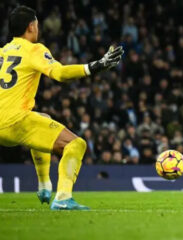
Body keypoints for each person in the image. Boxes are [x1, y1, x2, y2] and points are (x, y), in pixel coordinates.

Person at [0, 6, 123, 210]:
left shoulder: (2, 53)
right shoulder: (35, 49)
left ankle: (44, 185)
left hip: (5, 123)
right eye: (37, 25)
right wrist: (95, 66)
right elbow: (60, 74)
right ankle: (63, 198)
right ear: (31, 27)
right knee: (76, 144)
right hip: (15, 122)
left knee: (43, 117)